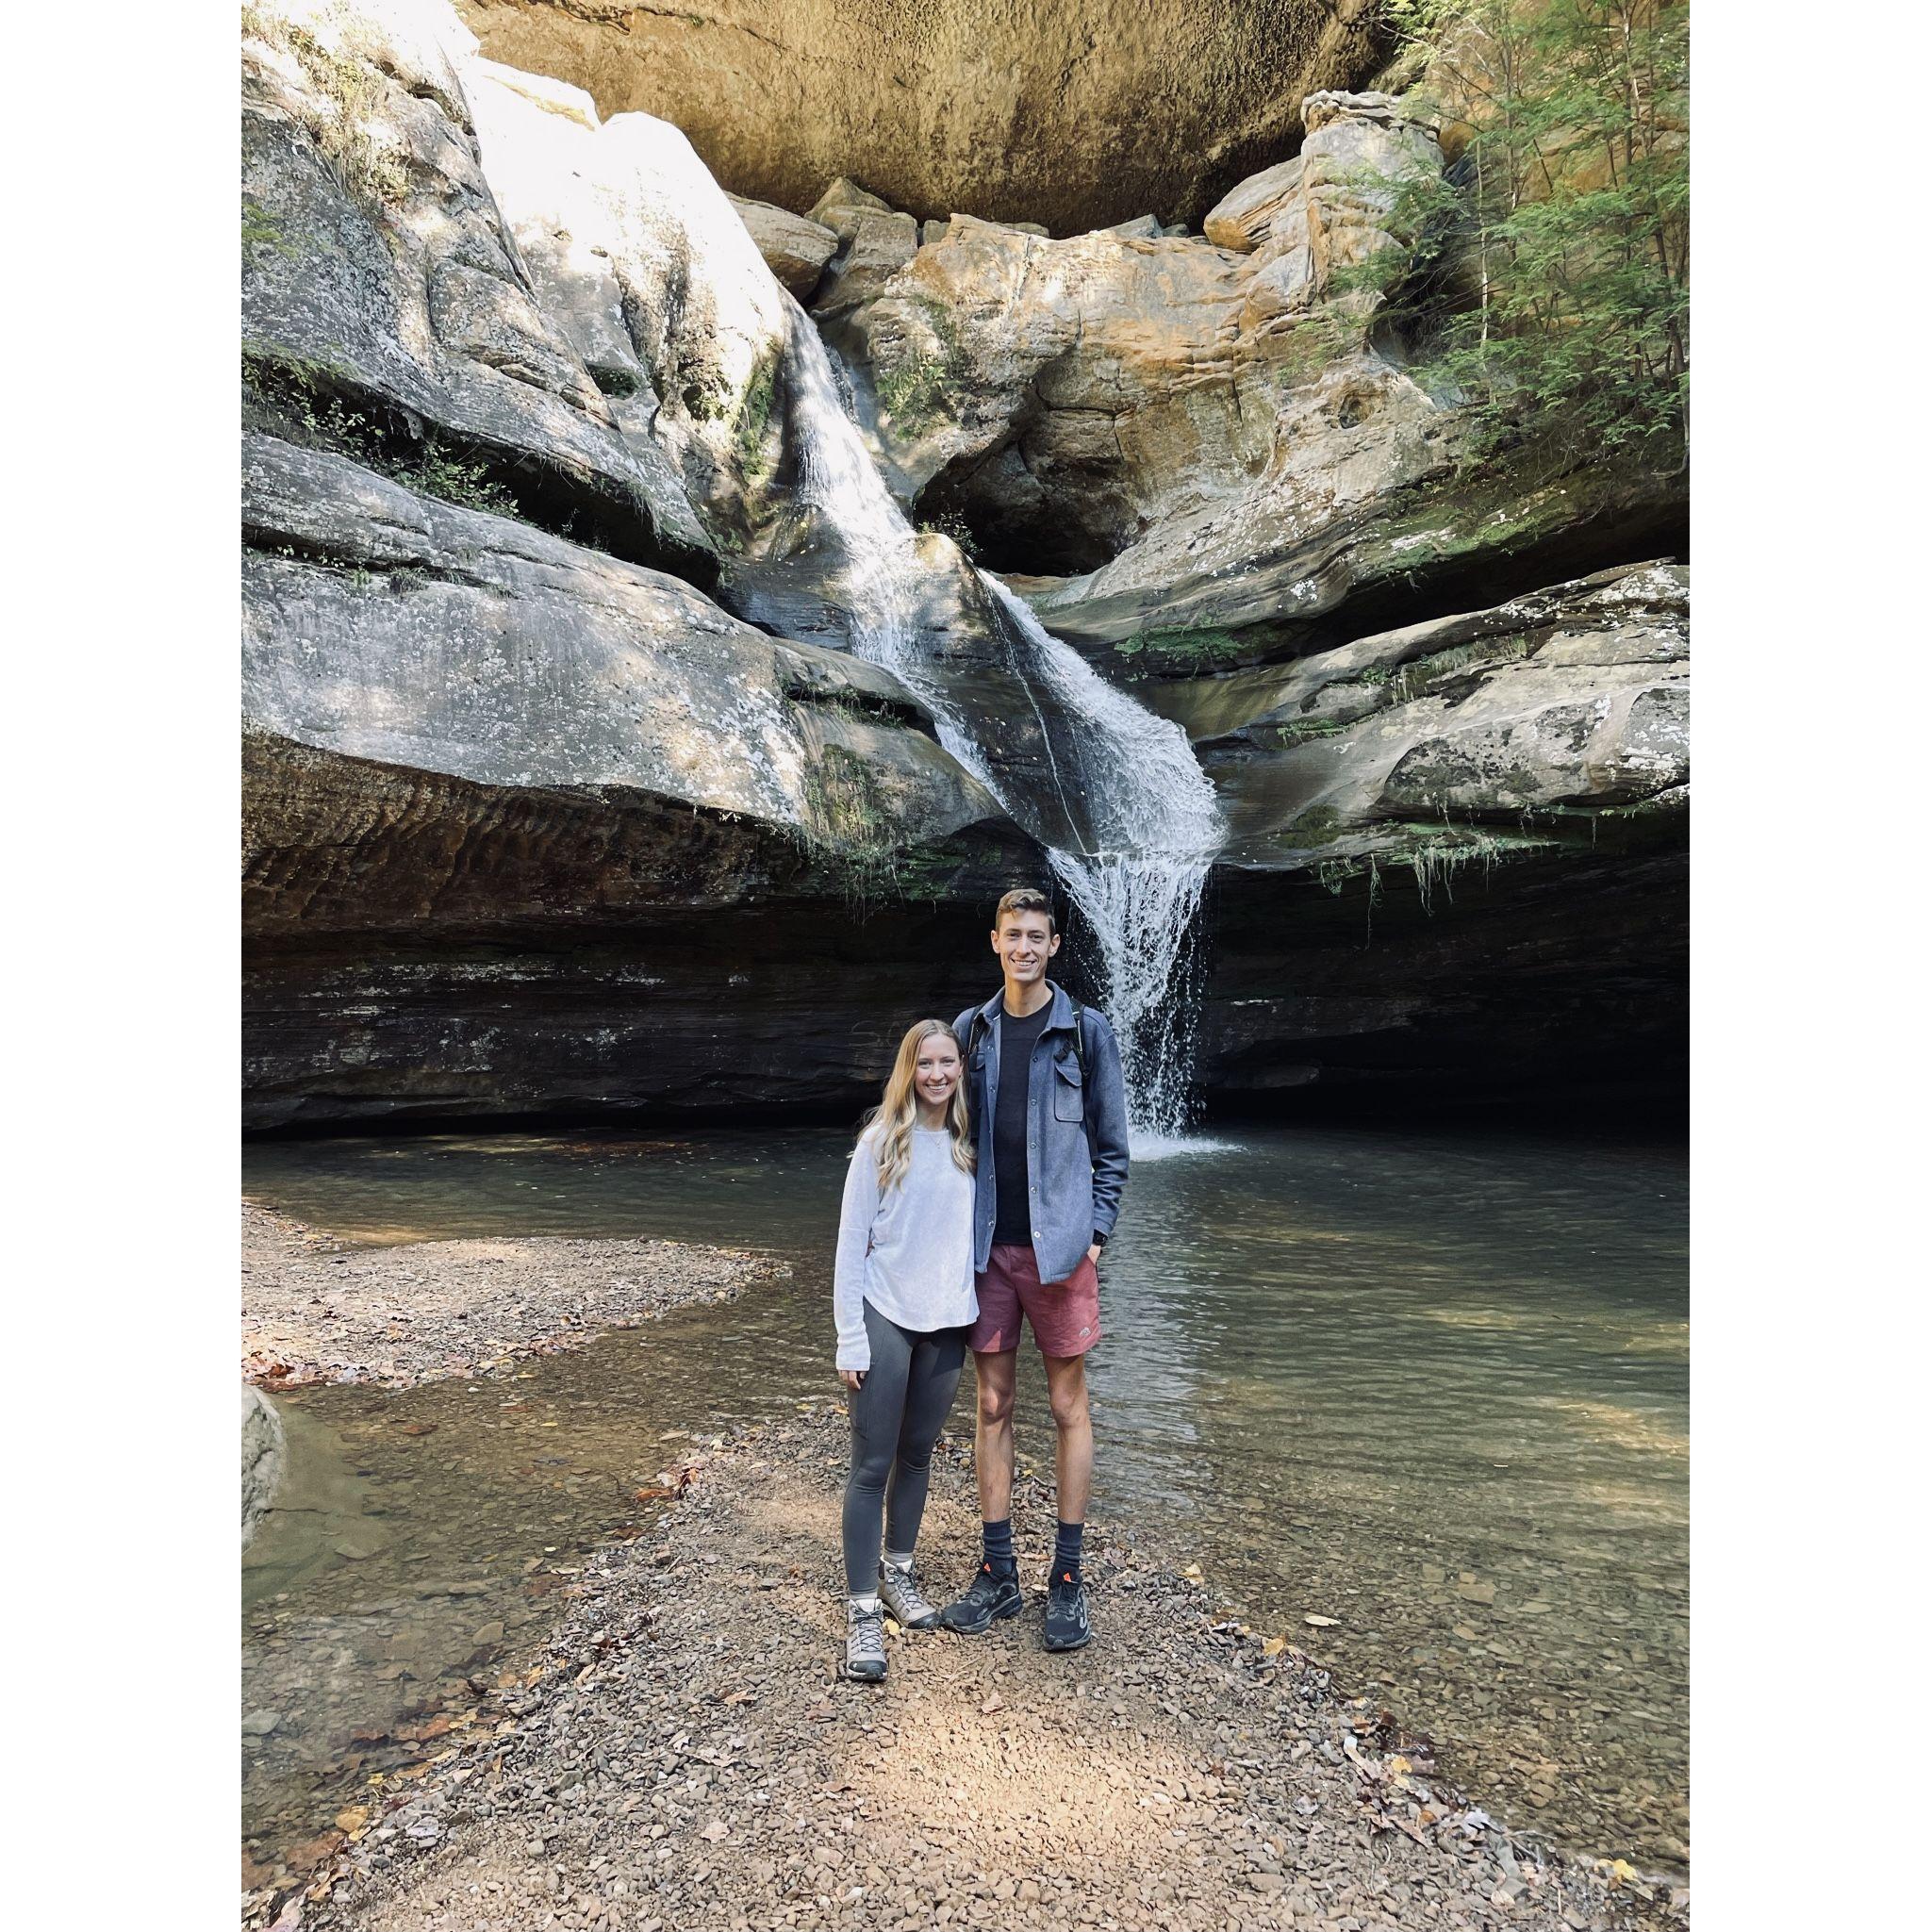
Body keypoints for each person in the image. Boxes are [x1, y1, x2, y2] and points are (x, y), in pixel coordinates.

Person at [939, 886, 1130, 1653]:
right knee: (990, 1404)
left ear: (1053, 946)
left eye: (1036, 936)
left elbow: (1112, 1146)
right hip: (986, 1249)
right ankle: (998, 1571)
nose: (1023, 947)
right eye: (1012, 934)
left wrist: (1097, 1235)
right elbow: (943, 1139)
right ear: (994, 942)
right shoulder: (970, 1031)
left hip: (1060, 1252)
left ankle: (1069, 1579)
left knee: (1066, 1405)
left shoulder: (1085, 1032)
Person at [833, 1018, 979, 1682]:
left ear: (959, 1069)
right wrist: (849, 1336)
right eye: (925, 1063)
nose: (938, 1074)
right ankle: (863, 1608)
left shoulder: (965, 1145)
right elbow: (849, 1246)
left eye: (947, 1061)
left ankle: (899, 1572)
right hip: (885, 1312)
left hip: (947, 1322)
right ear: (908, 1070)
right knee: (872, 1463)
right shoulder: (879, 1143)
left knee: (917, 1454)